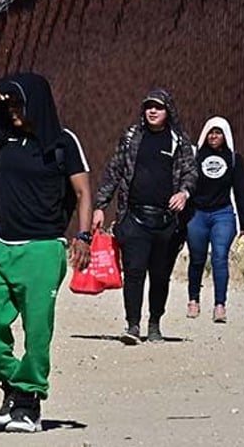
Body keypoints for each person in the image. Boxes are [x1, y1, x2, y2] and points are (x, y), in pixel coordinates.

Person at [0, 73, 91, 434]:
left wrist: (84, 236)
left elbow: (83, 192)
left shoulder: (62, 141)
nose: (11, 111)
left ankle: (28, 403)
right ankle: (15, 384)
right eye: (9, 104)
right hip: (1, 244)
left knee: (37, 329)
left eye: (17, 105)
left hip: (43, 248)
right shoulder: (3, 133)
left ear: (35, 105)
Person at [93, 88, 197, 345]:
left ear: (168, 111)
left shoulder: (179, 141)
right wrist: (100, 205)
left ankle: (154, 324)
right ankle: (132, 324)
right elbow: (114, 171)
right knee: (135, 272)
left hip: (166, 221)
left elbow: (191, 172)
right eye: (149, 106)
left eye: (158, 107)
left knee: (160, 275)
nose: (152, 111)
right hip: (134, 217)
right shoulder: (131, 137)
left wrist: (184, 193)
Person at [186, 117, 244, 323]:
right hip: (197, 214)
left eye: (218, 132)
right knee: (197, 258)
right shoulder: (195, 156)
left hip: (222, 214)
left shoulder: (233, 159)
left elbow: (240, 192)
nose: (214, 136)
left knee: (220, 257)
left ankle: (220, 305)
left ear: (225, 135)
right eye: (211, 132)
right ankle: (193, 299)